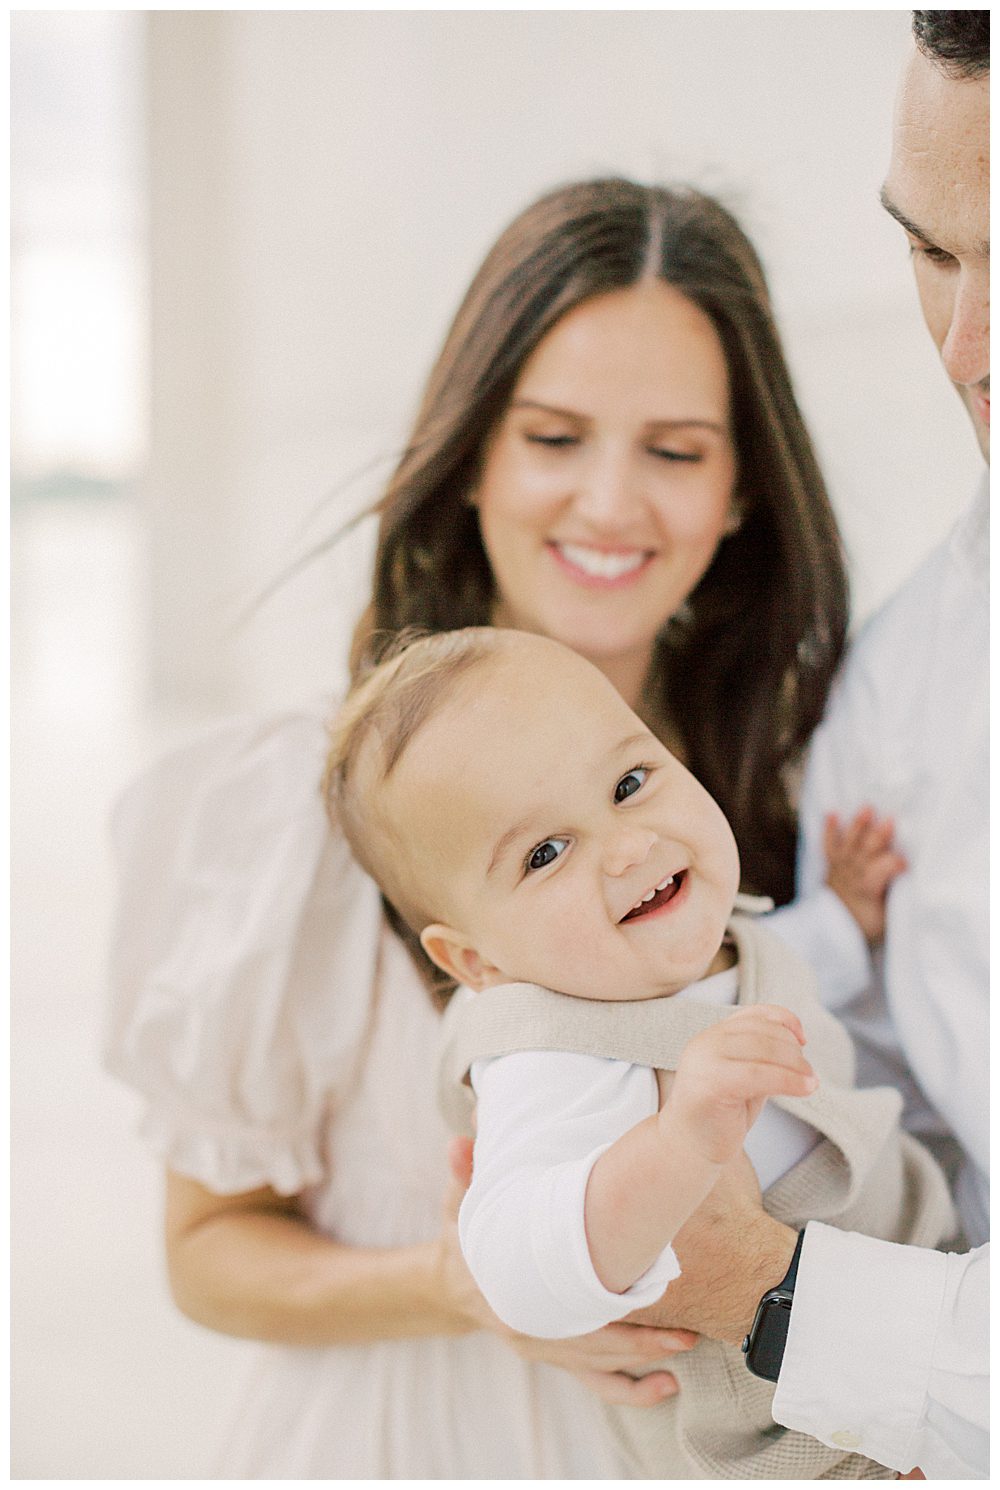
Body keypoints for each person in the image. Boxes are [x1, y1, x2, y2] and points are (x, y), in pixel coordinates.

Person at [107, 177, 855, 1478]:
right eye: (554, 437)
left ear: (741, 492)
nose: (611, 503)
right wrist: (467, 1282)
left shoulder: (785, 786)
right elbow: (205, 1252)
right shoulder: (291, 815)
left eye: (675, 451)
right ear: (471, 462)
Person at [323, 623, 953, 1479]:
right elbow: (514, 1259)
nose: (629, 845)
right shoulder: (552, 1060)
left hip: (925, 1291)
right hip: (798, 1437)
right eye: (544, 854)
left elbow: (764, 971)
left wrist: (842, 919)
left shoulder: (691, 939)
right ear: (478, 962)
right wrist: (678, 1144)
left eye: (628, 781)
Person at [625, 11, 989, 1480]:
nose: (968, 349)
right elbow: (904, 1129)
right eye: (933, 251)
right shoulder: (904, 684)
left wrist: (770, 1293)